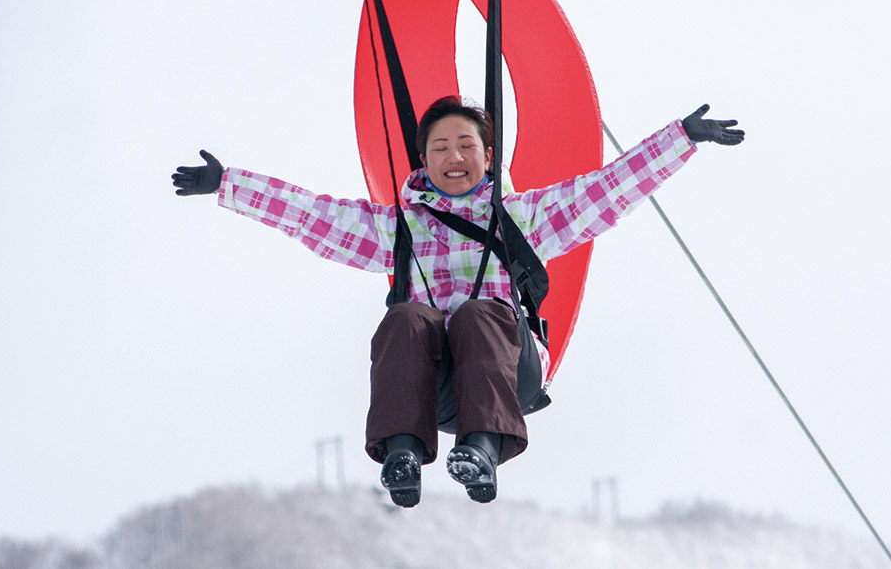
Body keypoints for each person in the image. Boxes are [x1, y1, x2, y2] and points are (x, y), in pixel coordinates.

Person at [172, 96, 744, 507]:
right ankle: (402, 451)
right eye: (440, 147)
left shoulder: (520, 217)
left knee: (477, 312)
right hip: (437, 386)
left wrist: (681, 139)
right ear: (423, 161)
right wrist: (229, 186)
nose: (454, 156)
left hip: (504, 373)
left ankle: (484, 449)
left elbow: (607, 190)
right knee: (407, 317)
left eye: (465, 145)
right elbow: (310, 215)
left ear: (487, 157)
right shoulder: (397, 228)